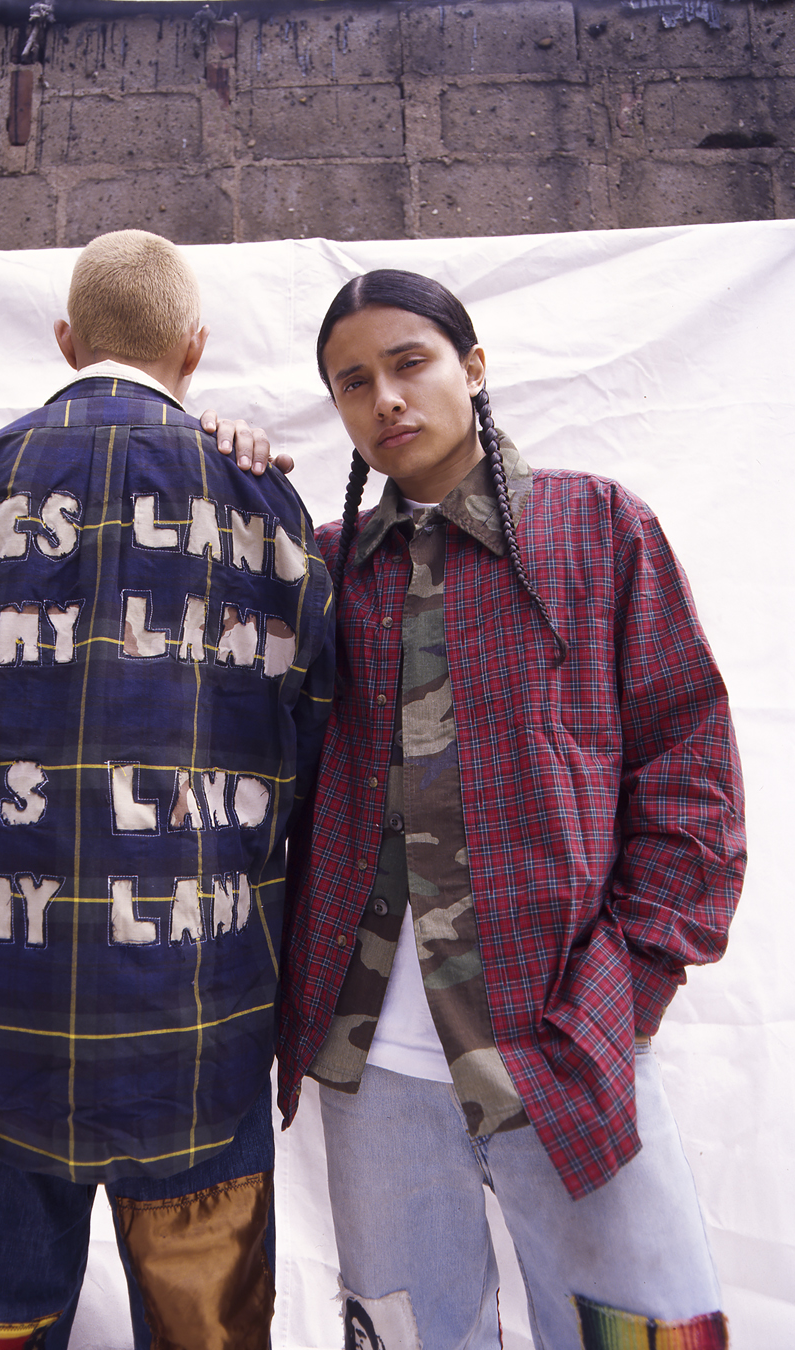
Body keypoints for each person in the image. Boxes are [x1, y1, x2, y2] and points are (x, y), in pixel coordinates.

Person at [269, 270, 746, 1350]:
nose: (385, 399)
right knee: (411, 1336)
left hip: (565, 1038)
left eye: (409, 363)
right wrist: (218, 462)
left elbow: (690, 767)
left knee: (641, 1333)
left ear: (472, 367)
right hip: (371, 1070)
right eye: (353, 383)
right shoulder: (326, 568)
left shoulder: (596, 527)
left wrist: (626, 988)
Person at [0, 229, 335, 1350]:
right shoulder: (268, 512)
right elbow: (306, 744)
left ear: (66, 340)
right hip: (201, 1005)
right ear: (195, 348)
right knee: (204, 1330)